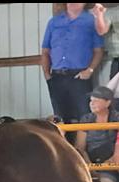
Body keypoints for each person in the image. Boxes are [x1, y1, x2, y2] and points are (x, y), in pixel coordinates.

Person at [41, 3, 104, 144]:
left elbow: (99, 50)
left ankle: (83, 154)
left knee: (84, 116)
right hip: (56, 76)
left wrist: (90, 70)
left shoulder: (91, 21)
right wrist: (47, 74)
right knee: (60, 117)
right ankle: (65, 151)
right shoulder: (53, 22)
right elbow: (45, 51)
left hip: (79, 76)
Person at [74, 86, 119, 182]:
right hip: (95, 160)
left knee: (109, 171)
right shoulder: (86, 119)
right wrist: (89, 165)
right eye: (91, 101)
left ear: (107, 103)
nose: (91, 103)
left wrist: (114, 158)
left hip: (114, 158)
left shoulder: (117, 117)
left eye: (96, 100)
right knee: (106, 176)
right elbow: (80, 147)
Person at [92, 3, 119, 79]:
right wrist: (99, 14)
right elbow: (101, 31)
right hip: (117, 58)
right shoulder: (111, 12)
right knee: (113, 88)